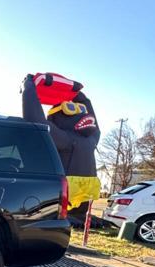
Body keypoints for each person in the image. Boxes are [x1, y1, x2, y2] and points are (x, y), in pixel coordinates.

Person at [22, 73, 101, 224]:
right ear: (57, 117)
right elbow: (34, 119)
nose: (83, 113)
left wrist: (80, 97)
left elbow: (93, 121)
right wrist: (29, 88)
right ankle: (65, 217)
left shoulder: (90, 139)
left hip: (83, 191)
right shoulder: (64, 138)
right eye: (71, 108)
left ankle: (79, 216)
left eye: (82, 109)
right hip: (62, 191)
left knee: (79, 210)